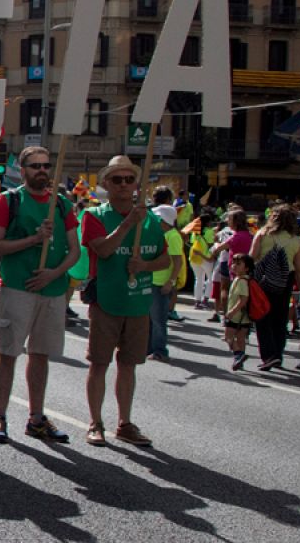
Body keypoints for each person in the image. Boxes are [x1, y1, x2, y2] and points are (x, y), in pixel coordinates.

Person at [0, 146, 81, 444]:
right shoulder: (8, 201)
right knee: (9, 352)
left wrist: (54, 274)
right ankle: (0, 415)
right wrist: (34, 239)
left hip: (51, 291)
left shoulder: (61, 205)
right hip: (17, 288)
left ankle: (36, 418)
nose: (42, 170)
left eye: (46, 165)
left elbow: (74, 250)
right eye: (35, 165)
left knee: (40, 355)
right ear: (23, 170)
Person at [80, 155, 172, 447]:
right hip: (106, 300)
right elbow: (103, 250)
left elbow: (165, 258)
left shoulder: (153, 220)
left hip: (138, 302)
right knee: (99, 363)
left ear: (136, 185)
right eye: (116, 179)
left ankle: (125, 422)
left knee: (129, 365)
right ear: (105, 183)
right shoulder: (94, 216)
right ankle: (95, 422)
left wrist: (144, 266)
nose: (123, 185)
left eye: (129, 179)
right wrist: (127, 225)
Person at [249, 204, 300, 372]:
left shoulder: (262, 234)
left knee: (262, 316)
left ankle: (268, 355)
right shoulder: (296, 241)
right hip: (285, 278)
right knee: (280, 318)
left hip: (263, 277)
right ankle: (278, 355)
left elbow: (251, 257)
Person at [147, 205, 186, 362]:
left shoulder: (172, 236)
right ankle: (149, 348)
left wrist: (170, 282)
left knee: (158, 320)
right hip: (151, 281)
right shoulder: (161, 234)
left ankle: (160, 350)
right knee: (149, 319)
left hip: (161, 283)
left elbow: (178, 261)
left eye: (158, 218)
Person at [223, 253, 253, 371]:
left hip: (236, 316)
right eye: (233, 262)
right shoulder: (243, 279)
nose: (234, 265)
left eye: (238, 264)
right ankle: (240, 360)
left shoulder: (241, 281)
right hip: (245, 317)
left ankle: (238, 355)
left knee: (228, 337)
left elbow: (243, 299)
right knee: (240, 339)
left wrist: (231, 311)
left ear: (246, 268)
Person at [187, 211, 219, 310]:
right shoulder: (210, 231)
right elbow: (211, 245)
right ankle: (205, 300)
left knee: (198, 279)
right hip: (206, 258)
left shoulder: (195, 232)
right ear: (208, 222)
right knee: (210, 279)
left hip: (194, 257)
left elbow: (192, 243)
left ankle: (197, 301)